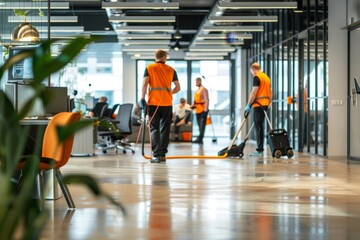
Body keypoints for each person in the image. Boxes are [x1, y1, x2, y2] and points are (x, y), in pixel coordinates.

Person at [139, 49, 181, 163]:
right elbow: (178, 87)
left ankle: (156, 155)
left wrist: (142, 98)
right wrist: (169, 93)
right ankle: (162, 155)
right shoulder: (171, 69)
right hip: (167, 104)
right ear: (163, 57)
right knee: (165, 129)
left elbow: (144, 83)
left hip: (153, 103)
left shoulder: (150, 67)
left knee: (154, 129)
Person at [244, 62, 272, 156]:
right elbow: (270, 92)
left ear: (253, 69)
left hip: (258, 104)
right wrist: (269, 103)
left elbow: (254, 92)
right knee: (260, 125)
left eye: (251, 71)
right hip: (265, 104)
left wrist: (248, 104)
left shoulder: (257, 77)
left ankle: (259, 149)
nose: (252, 73)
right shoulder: (266, 77)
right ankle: (260, 148)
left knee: (258, 127)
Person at [191, 77, 209, 144]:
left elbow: (207, 100)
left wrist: (205, 110)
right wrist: (192, 106)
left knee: (202, 125)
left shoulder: (204, 90)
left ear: (199, 81)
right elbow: (195, 100)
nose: (195, 83)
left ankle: (200, 139)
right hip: (197, 110)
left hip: (203, 110)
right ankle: (200, 138)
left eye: (196, 82)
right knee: (199, 125)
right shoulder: (197, 90)